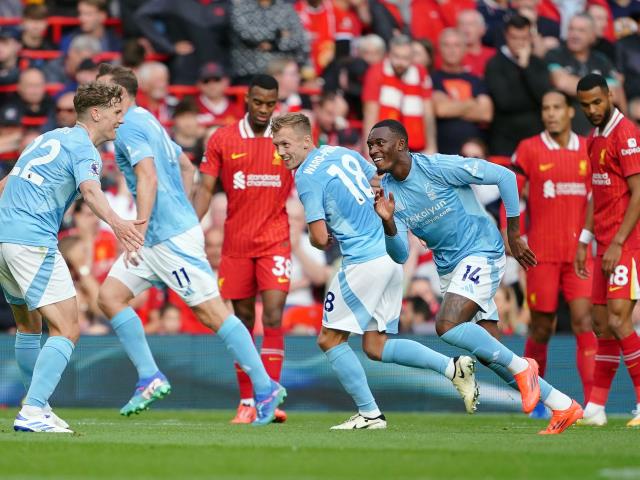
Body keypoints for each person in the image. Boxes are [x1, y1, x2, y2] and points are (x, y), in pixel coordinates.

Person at [95, 65, 286, 426]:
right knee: (109, 297)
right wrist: (177, 209)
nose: (97, 100)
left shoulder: (128, 127)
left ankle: (265, 388)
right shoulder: (148, 120)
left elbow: (148, 176)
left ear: (119, 95)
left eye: (103, 92)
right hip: (160, 235)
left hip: (166, 237)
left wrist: (144, 224)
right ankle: (149, 376)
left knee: (212, 313)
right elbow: (185, 165)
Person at [370, 119, 583, 435]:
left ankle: (526, 369)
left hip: (482, 251)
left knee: (447, 325)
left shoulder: (440, 167)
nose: (373, 150)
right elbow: (400, 254)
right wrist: (388, 223)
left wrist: (513, 233)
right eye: (370, 145)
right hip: (450, 270)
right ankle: (563, 404)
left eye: (379, 143)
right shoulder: (388, 191)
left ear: (401, 144)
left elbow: (505, 177)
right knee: (491, 351)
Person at [271, 112, 479, 429]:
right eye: (276, 145)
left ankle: (369, 413)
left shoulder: (305, 176)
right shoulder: (343, 152)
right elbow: (381, 180)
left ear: (305, 140)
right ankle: (452, 367)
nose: (281, 151)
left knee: (329, 340)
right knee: (375, 345)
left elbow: (318, 237)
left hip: (363, 261)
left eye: (285, 143)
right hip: (390, 252)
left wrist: (322, 239)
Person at [0, 82, 145, 432]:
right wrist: (119, 224)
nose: (120, 121)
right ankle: (33, 410)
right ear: (96, 113)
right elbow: (91, 191)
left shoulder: (47, 138)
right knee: (67, 328)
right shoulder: (84, 148)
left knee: (29, 326)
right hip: (32, 241)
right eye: (115, 113)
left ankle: (39, 406)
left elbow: (5, 184)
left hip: (5, 239)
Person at [193, 74, 291, 424]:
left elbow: (311, 175)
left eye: (270, 103)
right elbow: (205, 188)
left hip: (276, 239)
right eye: (258, 102)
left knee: (275, 314)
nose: (264, 110)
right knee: (243, 321)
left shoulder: (287, 138)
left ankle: (270, 396)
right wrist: (191, 228)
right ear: (246, 99)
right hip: (236, 243)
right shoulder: (223, 137)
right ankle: (248, 400)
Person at [512, 90, 597, 417]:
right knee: (541, 326)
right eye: (545, 108)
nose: (550, 113)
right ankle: (539, 402)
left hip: (578, 254)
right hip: (541, 254)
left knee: (584, 321)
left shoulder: (588, 149)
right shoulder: (529, 149)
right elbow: (512, 194)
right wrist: (514, 233)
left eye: (556, 108)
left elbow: (597, 196)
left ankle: (593, 404)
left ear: (569, 112)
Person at [575, 73, 640, 427]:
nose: (592, 109)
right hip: (603, 243)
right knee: (601, 325)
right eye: (585, 105)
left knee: (618, 318)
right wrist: (585, 241)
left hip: (626, 243)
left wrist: (616, 243)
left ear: (610, 96)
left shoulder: (626, 134)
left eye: (597, 102)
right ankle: (596, 408)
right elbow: (595, 194)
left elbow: (639, 193)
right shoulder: (594, 137)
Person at [362, 34, 437, 154]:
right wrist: (369, 152)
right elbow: (370, 114)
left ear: (412, 57)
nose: (400, 63)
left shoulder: (421, 73)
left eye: (405, 58)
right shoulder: (376, 72)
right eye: (396, 56)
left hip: (415, 144)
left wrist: (432, 147)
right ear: (389, 54)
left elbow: (428, 113)